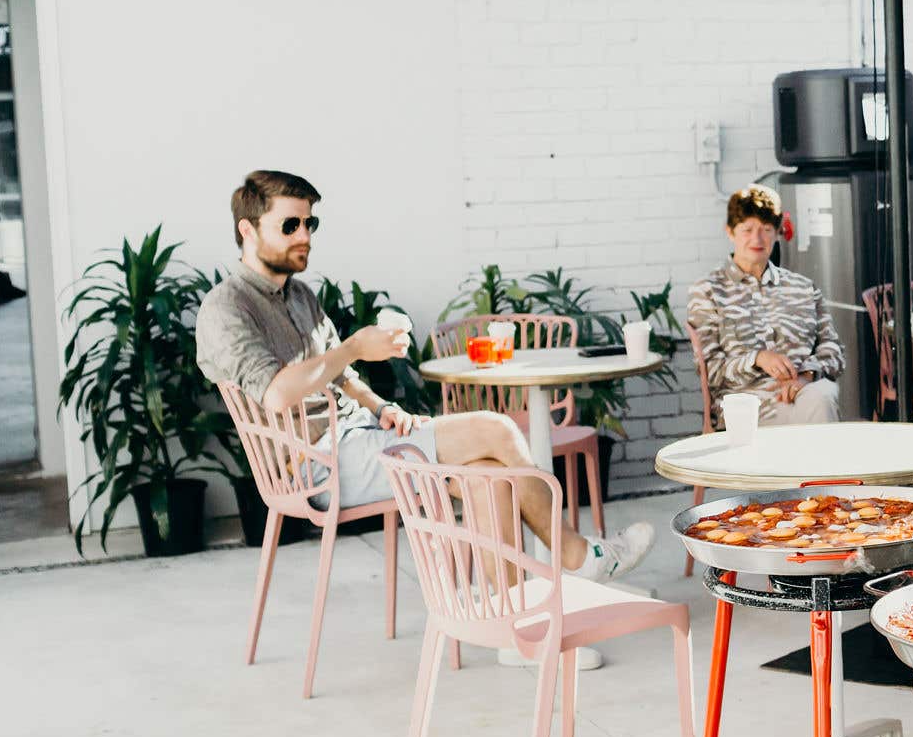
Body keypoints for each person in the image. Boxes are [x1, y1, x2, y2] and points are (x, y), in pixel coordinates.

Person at [196, 171, 654, 661]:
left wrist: (383, 407)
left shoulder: (300, 296)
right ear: (248, 229)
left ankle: (519, 635)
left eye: (311, 223)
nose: (304, 235)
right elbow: (276, 394)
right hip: (314, 465)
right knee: (496, 428)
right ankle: (579, 556)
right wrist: (353, 347)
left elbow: (340, 377)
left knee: (490, 478)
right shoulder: (226, 307)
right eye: (290, 225)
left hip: (359, 439)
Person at [687, 184, 844, 427]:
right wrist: (757, 358)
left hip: (803, 393)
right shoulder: (708, 291)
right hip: (745, 406)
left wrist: (806, 375)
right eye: (747, 229)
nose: (757, 239)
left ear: (777, 233)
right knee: (815, 419)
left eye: (766, 229)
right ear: (730, 232)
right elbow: (711, 371)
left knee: (822, 397)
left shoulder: (804, 288)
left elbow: (833, 350)